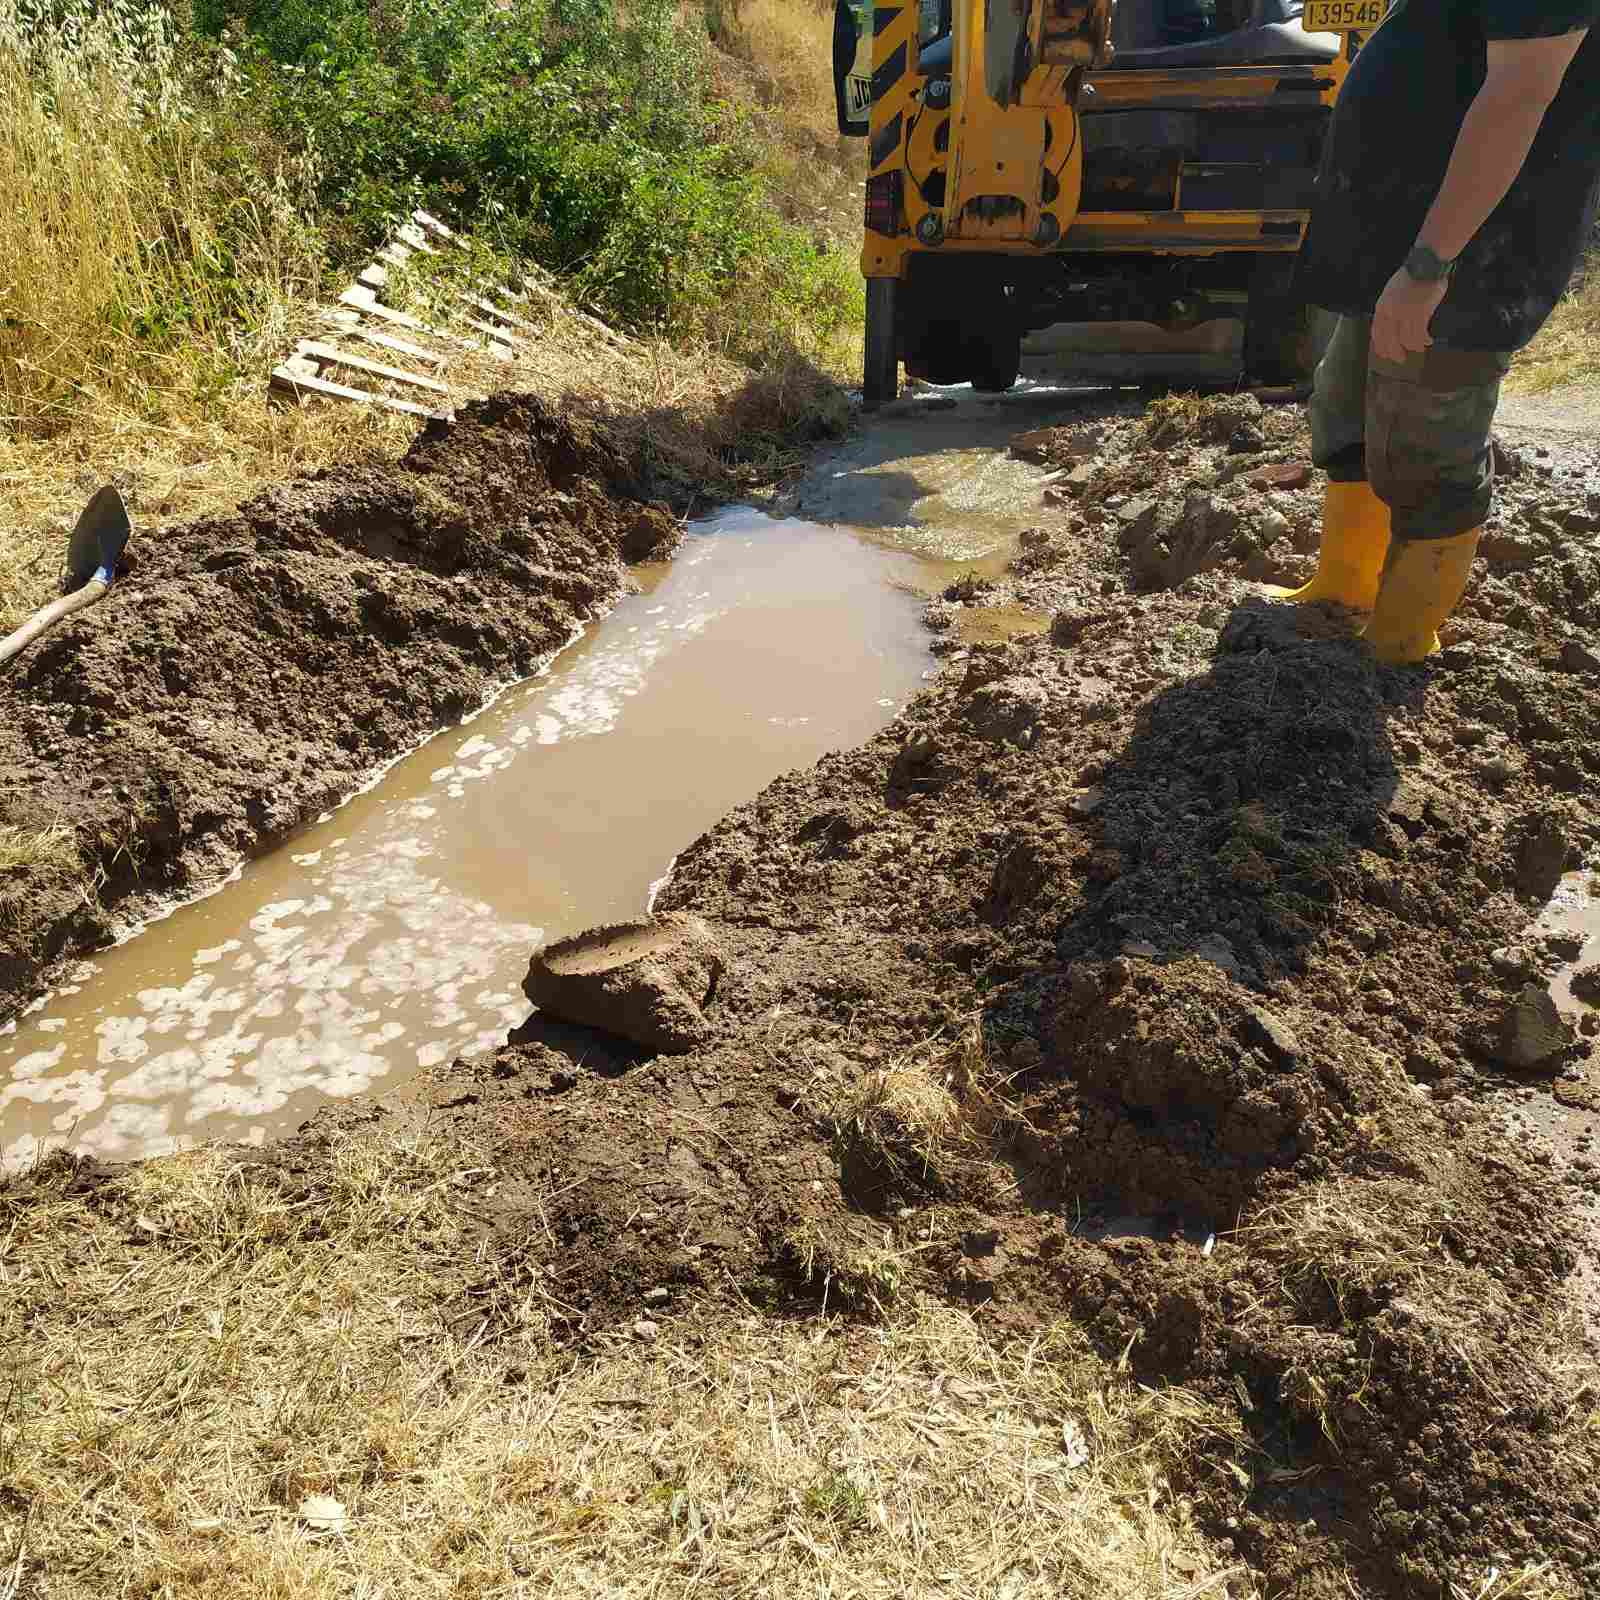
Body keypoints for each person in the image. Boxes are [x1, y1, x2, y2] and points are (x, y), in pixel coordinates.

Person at [1272, 1, 1600, 664]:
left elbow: (1517, 97)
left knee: (1429, 447)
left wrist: (1431, 263)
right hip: (1399, 242)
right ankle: (1344, 584)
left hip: (1471, 254)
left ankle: (1401, 638)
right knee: (1349, 411)